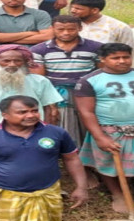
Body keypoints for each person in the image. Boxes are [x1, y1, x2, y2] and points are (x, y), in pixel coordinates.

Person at [75, 43, 134, 213]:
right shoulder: (89, 80)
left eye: (126, 57)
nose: (122, 61)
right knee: (107, 161)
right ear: (102, 60)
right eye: (115, 58)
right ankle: (117, 194)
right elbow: (86, 111)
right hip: (109, 129)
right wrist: (100, 137)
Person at [30, 15, 102, 145]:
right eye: (60, 29)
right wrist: (50, 102)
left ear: (80, 28)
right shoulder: (39, 50)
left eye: (71, 29)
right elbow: (40, 79)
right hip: (56, 94)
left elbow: (101, 73)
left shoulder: (96, 47)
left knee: (89, 124)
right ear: (52, 29)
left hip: (87, 93)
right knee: (59, 124)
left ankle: (87, 159)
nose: (66, 33)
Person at [69, 0, 134, 46]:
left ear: (95, 10)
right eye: (72, 7)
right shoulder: (66, 25)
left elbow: (127, 50)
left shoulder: (118, 27)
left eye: (78, 9)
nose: (72, 11)